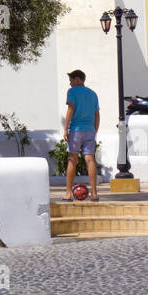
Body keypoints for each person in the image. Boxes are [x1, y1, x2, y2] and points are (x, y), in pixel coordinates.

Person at [64, 69, 100, 202]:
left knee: (72, 159)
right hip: (90, 130)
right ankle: (94, 194)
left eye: (71, 81)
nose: (70, 84)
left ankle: (68, 193)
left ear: (78, 79)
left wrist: (65, 129)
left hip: (76, 129)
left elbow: (71, 109)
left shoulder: (72, 92)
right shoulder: (93, 94)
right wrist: (94, 130)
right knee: (90, 159)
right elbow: (97, 114)